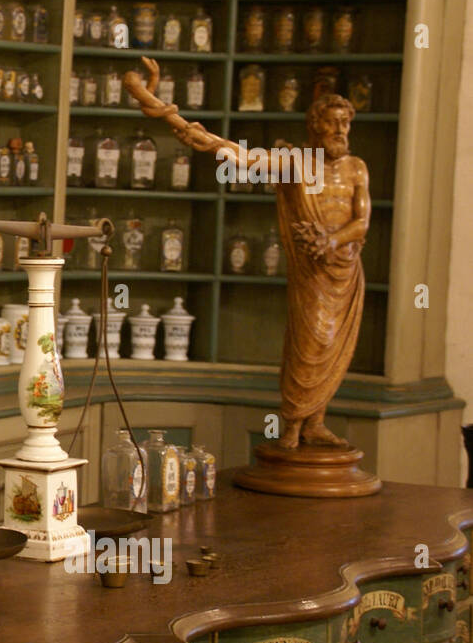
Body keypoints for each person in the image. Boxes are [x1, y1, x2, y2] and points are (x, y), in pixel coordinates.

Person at [136, 66, 368, 449]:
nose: (342, 131)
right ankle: (292, 424)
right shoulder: (297, 162)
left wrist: (331, 241)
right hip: (311, 272)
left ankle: (316, 423)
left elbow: (361, 222)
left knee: (334, 348)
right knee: (308, 342)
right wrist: (205, 139)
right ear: (315, 126)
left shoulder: (357, 168)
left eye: (346, 123)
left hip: (344, 269)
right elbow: (245, 159)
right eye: (333, 123)